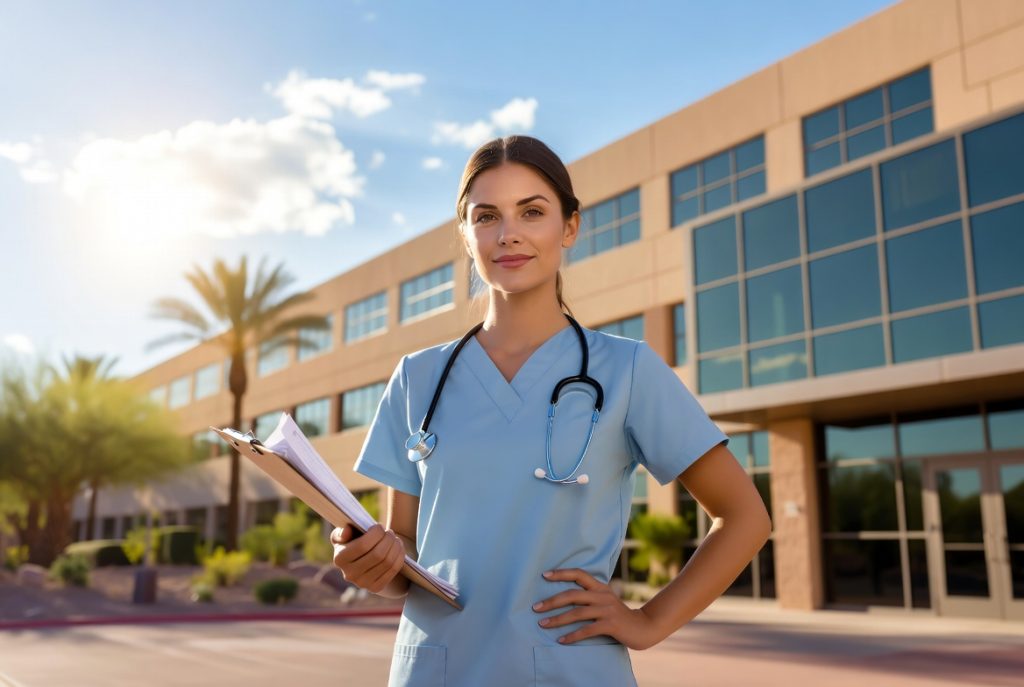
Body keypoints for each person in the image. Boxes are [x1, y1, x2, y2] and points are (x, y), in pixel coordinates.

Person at [331, 135, 773, 686]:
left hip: (569, 669)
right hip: (435, 670)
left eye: (532, 212)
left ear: (569, 228)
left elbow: (745, 517)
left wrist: (648, 622)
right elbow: (407, 553)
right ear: (467, 236)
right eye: (486, 216)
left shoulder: (627, 370)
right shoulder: (417, 378)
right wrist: (373, 563)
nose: (508, 233)